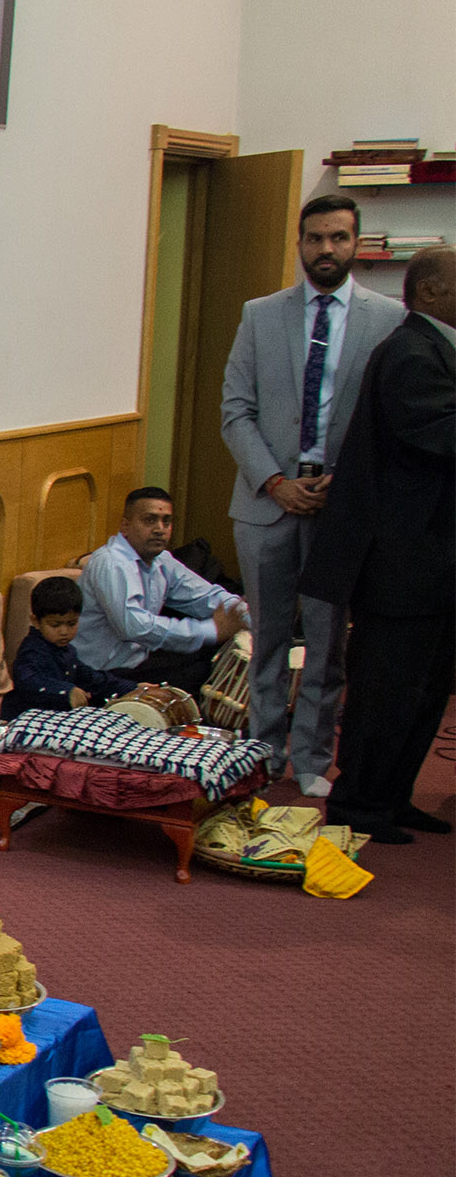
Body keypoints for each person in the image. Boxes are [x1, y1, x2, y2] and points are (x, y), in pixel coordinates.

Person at [219, 192, 403, 793]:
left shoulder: (389, 318)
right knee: (267, 635)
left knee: (326, 646)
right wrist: (275, 482)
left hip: (340, 507)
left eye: (339, 238)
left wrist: (343, 486)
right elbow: (235, 412)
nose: (327, 249)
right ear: (299, 243)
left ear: (356, 243)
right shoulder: (260, 314)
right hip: (266, 503)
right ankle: (262, 751)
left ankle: (311, 761)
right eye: (316, 238)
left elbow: (388, 420)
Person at [301, 247, 456, 844]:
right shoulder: (412, 353)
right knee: (385, 695)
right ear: (435, 293)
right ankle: (359, 803)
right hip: (401, 563)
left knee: (424, 694)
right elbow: (436, 436)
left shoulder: (435, 347)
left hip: (432, 562)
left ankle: (392, 797)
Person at [74, 487, 250, 695]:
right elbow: (134, 627)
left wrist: (243, 614)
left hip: (138, 661)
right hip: (100, 673)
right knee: (201, 669)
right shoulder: (112, 563)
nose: (160, 529)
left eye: (166, 521)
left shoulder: (162, 560)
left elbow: (205, 595)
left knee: (209, 656)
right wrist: (211, 631)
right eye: (150, 520)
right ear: (125, 525)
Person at [4, 576, 130, 720]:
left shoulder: (67, 650)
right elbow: (28, 681)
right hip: (28, 720)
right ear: (36, 621)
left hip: (56, 718)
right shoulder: (32, 650)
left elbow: (90, 678)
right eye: (55, 625)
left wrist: (132, 688)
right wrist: (66, 692)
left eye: (71, 624)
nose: (64, 632)